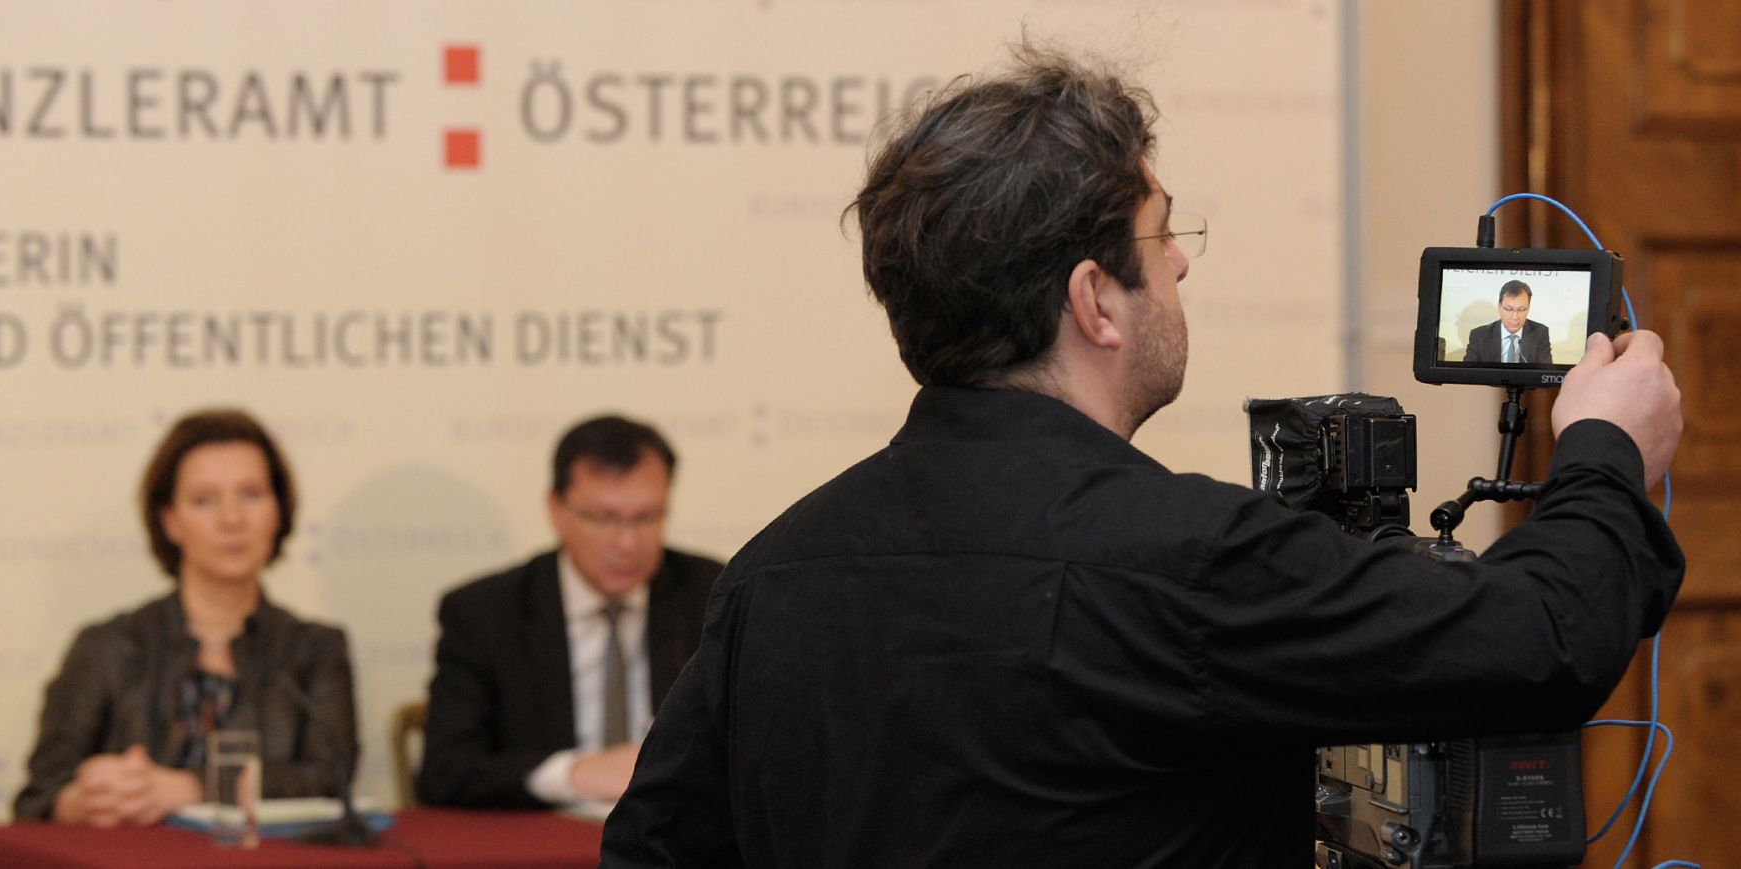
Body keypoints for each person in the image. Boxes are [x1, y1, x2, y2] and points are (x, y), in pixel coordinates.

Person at [602, 45, 1684, 867]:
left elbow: (652, 844)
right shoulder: (1187, 555)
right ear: (1094, 300)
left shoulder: (771, 571)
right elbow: (1542, 635)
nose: (1179, 269)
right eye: (1163, 237)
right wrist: (1601, 444)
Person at [14, 410, 358, 826]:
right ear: (170, 521)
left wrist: (192, 788)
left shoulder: (314, 648)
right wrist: (80, 800)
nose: (232, 520)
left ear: (279, 511)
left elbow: (329, 778)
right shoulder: (107, 646)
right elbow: (41, 793)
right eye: (204, 500)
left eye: (251, 494)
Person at [416, 415, 723, 809]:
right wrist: (573, 774)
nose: (628, 543)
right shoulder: (485, 613)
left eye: (647, 517)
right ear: (557, 511)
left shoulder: (713, 597)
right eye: (605, 519)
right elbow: (445, 771)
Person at [1464, 279, 1553, 364]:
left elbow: (1544, 375)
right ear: (1499, 307)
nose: (1515, 317)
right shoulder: (1479, 336)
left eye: (1521, 310)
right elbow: (1467, 374)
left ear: (1528, 309)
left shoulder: (1540, 333)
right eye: (1509, 309)